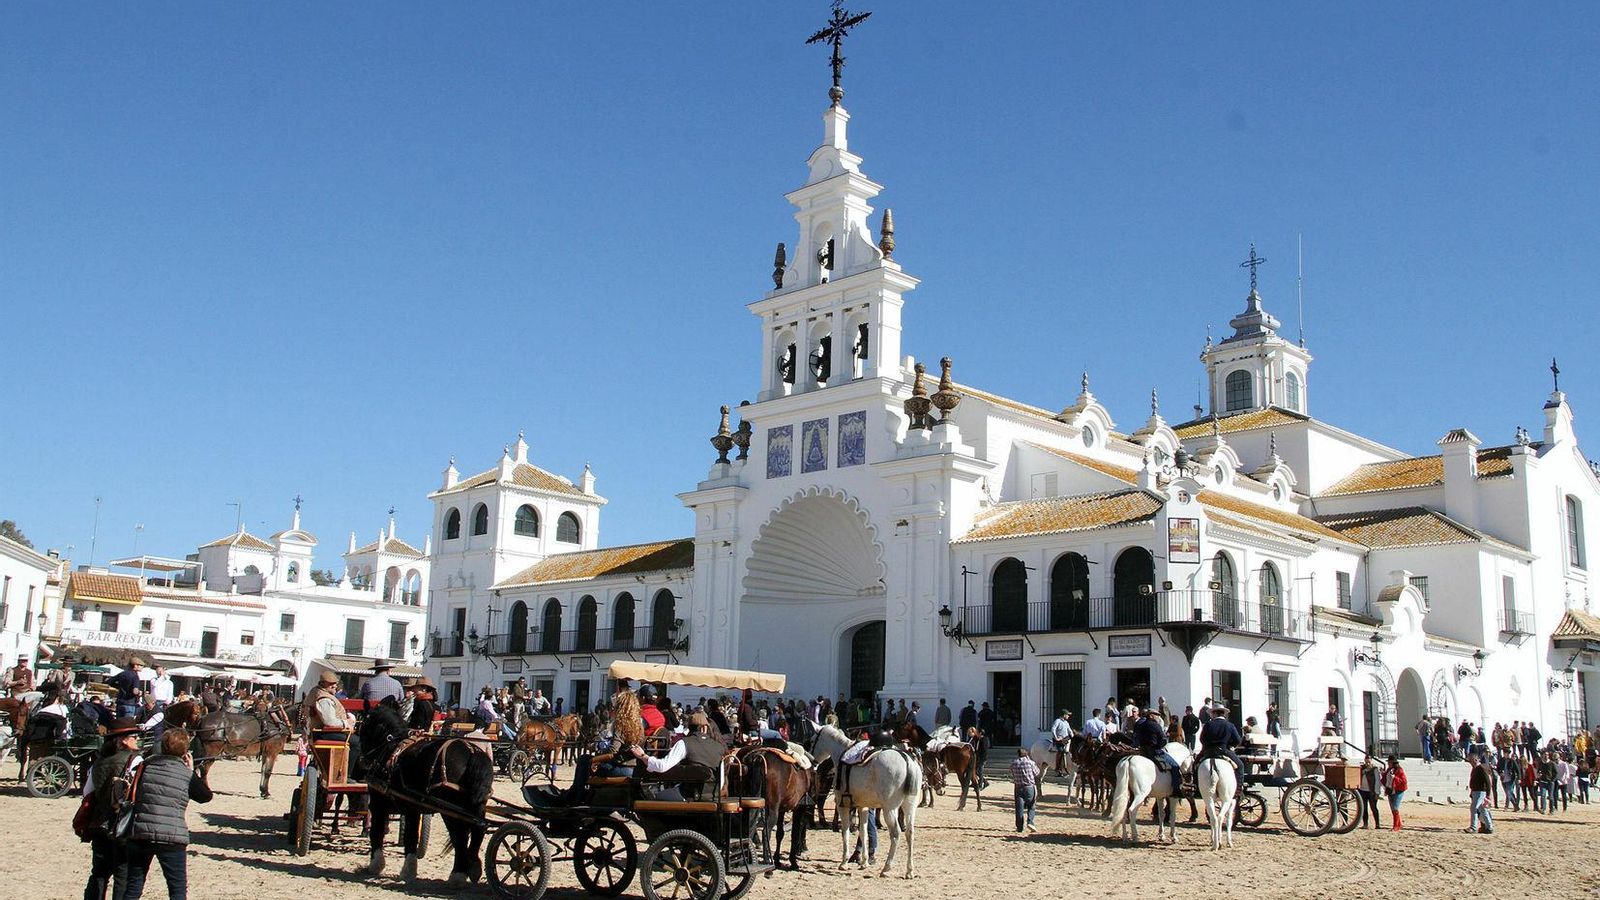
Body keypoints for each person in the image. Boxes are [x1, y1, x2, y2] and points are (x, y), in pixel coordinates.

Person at [119, 729, 213, 900]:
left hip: (141, 832)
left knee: (133, 886)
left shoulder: (145, 766)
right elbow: (205, 796)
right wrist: (191, 772)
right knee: (177, 889)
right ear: (185, 751)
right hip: (172, 836)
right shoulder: (185, 774)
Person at [81, 717, 143, 900]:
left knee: (99, 873)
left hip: (99, 821)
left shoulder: (98, 761)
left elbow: (87, 792)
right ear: (123, 739)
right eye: (133, 736)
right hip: (122, 823)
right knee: (122, 873)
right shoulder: (135, 760)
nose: (137, 739)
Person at [1131, 708, 1177, 792]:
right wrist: (1161, 746)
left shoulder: (1140, 725)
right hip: (1155, 752)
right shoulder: (1156, 725)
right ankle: (1176, 788)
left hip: (1142, 751)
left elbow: (1136, 738)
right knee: (1175, 766)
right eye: (1156, 715)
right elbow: (1163, 739)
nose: (1158, 717)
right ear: (1151, 716)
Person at [304, 671, 354, 740]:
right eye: (331, 683)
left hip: (324, 732)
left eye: (335, 683)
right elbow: (329, 722)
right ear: (322, 683)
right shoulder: (324, 699)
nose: (335, 686)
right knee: (356, 742)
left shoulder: (316, 692)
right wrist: (346, 722)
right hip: (325, 733)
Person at [1197, 704, 1244, 775]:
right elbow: (1237, 740)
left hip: (1208, 751)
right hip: (1224, 750)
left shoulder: (1208, 724)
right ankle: (1239, 786)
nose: (1211, 715)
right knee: (1240, 766)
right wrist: (1230, 745)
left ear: (1215, 713)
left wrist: (1207, 745)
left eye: (1211, 713)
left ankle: (1196, 784)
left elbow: (1202, 739)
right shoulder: (1230, 725)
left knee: (1195, 765)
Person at [1010, 747, 1041, 834]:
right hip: (1029, 786)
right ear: (1026, 754)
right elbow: (1037, 773)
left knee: (1019, 808)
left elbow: (1012, 771)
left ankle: (1019, 827)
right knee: (1031, 805)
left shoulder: (1014, 763)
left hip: (1018, 787)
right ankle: (1030, 821)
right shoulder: (1030, 763)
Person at [1467, 753, 1495, 834]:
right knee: (1483, 809)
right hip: (1476, 791)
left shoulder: (1481, 768)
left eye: (1471, 761)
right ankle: (1489, 827)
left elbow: (1487, 782)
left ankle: (1473, 827)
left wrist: (1488, 794)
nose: (1470, 763)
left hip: (1480, 791)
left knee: (1474, 808)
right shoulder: (1476, 768)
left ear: (1475, 760)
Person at [1382, 755, 1407, 830]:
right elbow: (1385, 780)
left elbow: (1404, 781)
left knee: (1395, 808)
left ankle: (1396, 826)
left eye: (1390, 762)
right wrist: (1382, 774)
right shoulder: (1389, 770)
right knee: (1393, 808)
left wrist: (1395, 778)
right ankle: (1399, 824)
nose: (1388, 763)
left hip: (1398, 790)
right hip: (1390, 790)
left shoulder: (1399, 770)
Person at [1049, 709, 1074, 775]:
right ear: (1064, 715)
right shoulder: (1057, 721)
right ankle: (1058, 768)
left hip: (1066, 739)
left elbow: (1070, 730)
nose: (1068, 716)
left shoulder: (1066, 722)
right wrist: (1056, 737)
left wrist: (1073, 736)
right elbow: (1053, 729)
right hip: (1059, 741)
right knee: (1060, 751)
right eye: (1068, 715)